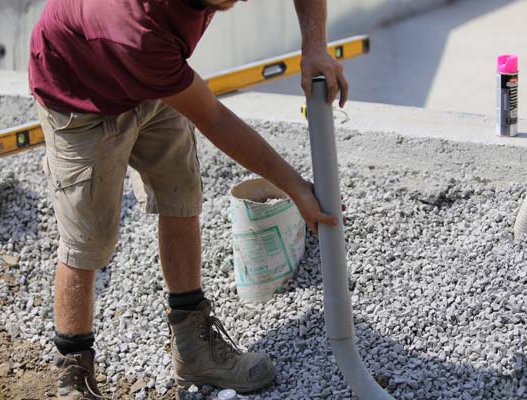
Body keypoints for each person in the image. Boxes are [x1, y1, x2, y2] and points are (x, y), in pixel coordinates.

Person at [28, 0, 348, 398]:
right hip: (80, 92)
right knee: (88, 240)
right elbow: (213, 117)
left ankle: (194, 350)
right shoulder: (139, 32)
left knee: (180, 196)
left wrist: (314, 46)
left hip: (155, 78)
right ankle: (72, 372)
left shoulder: (155, 48)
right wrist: (296, 187)